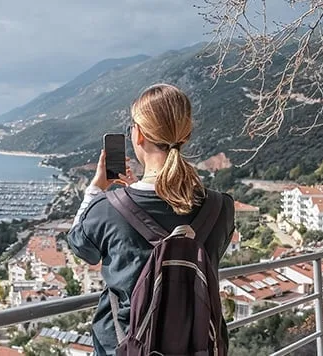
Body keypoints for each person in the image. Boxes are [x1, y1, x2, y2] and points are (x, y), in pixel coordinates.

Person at [68, 83, 236, 355]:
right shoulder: (221, 207)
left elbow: (81, 246)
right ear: (187, 134)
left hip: (124, 345)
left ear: (140, 135)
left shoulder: (108, 208)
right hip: (197, 345)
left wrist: (97, 188)